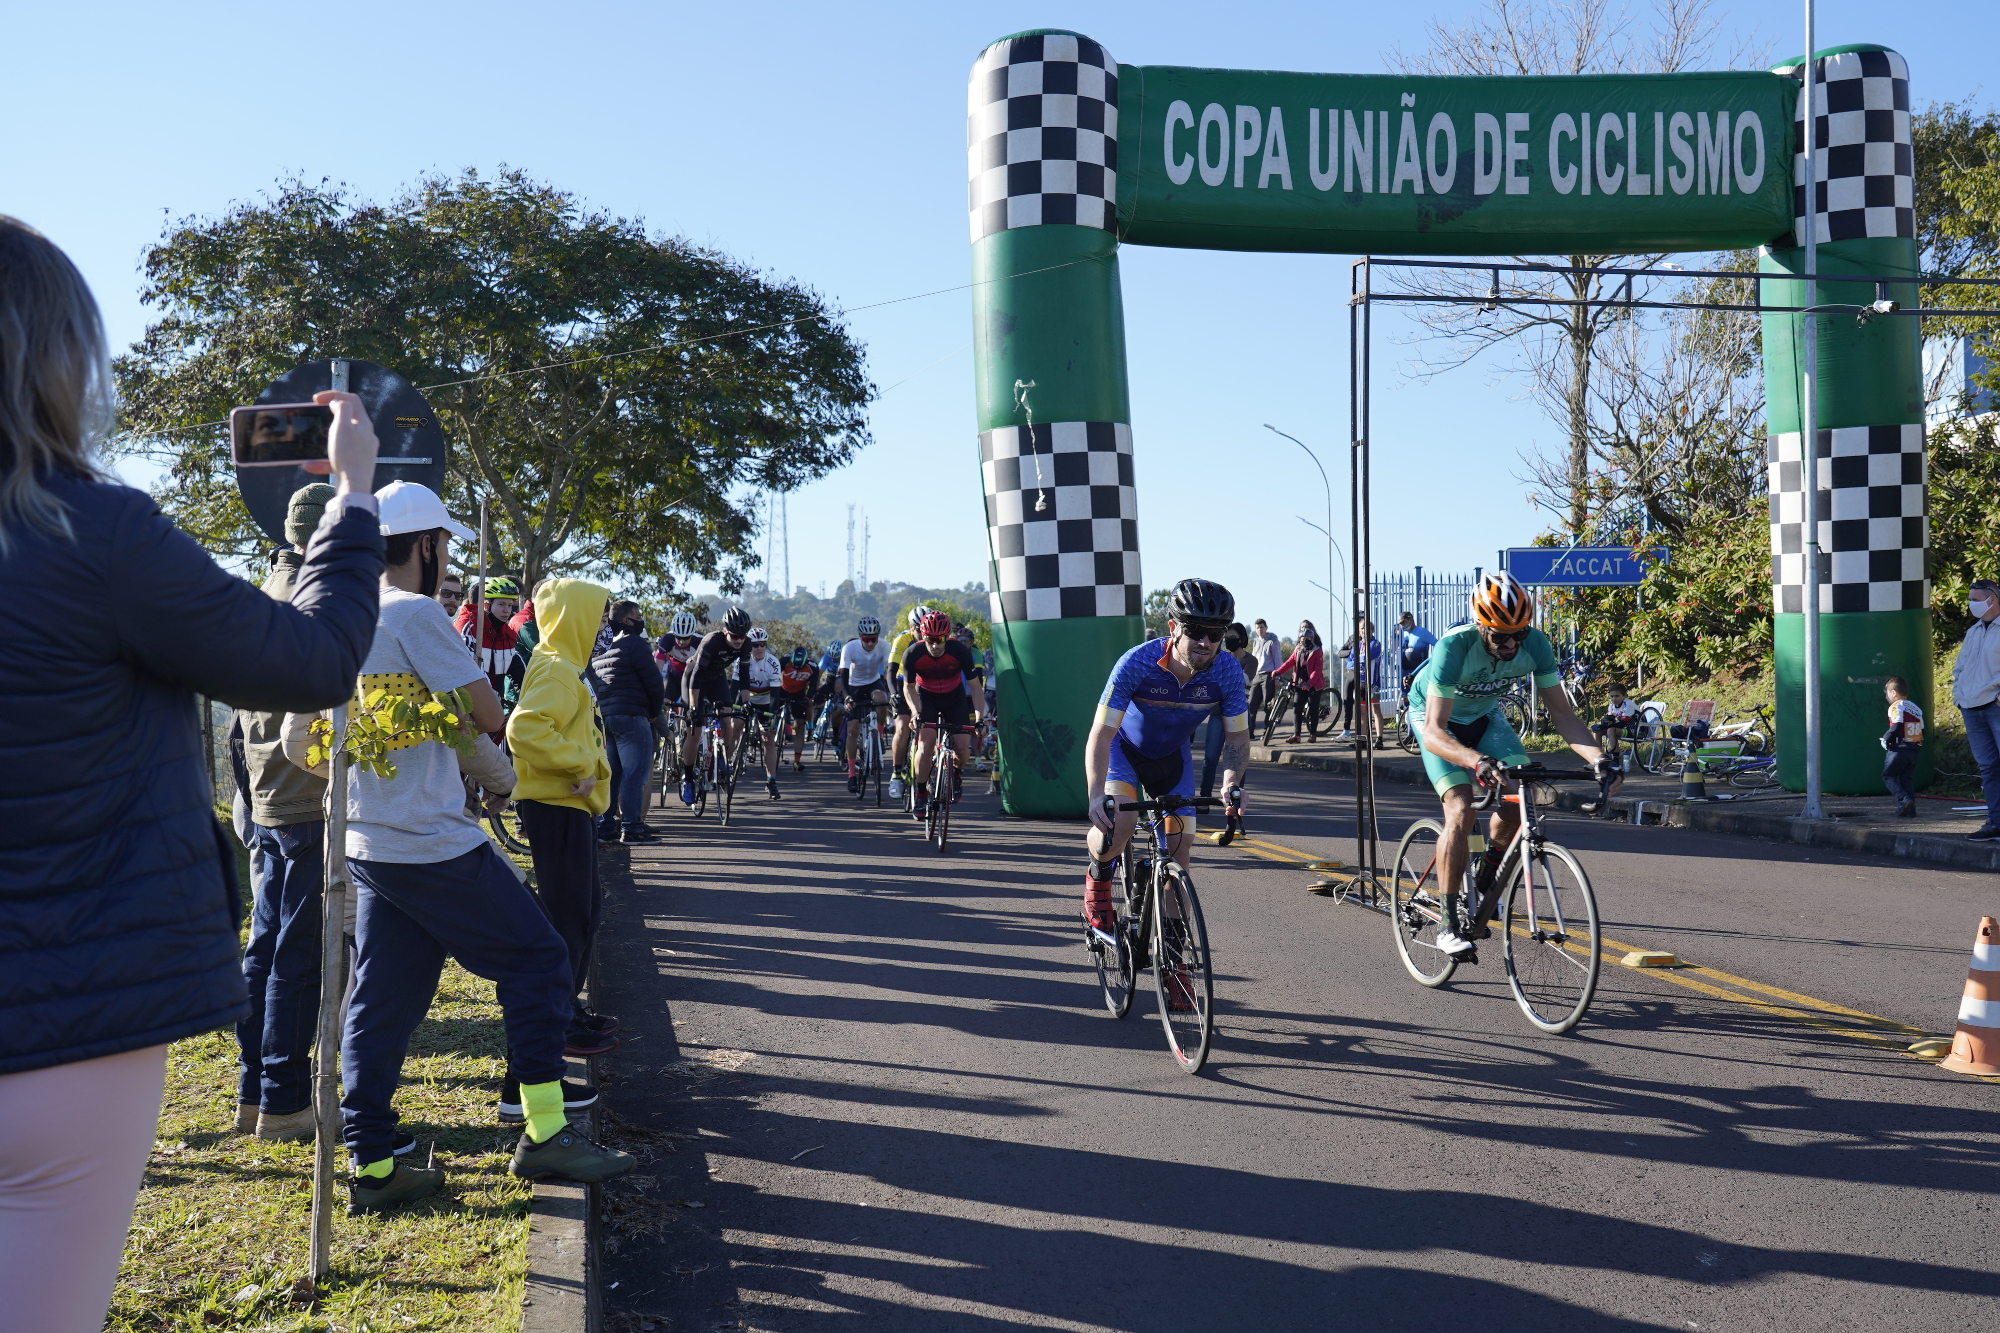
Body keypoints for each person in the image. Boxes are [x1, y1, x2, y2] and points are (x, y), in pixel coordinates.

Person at [0, 216, 390, 1333]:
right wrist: (353, 498)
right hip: (65, 1027)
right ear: (57, 362)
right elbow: (311, 660)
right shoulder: (92, 534)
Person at [1409, 572, 1619, 959]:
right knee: (1460, 809)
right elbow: (1435, 732)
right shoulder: (1453, 648)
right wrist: (1476, 760)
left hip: (1486, 718)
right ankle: (1447, 924)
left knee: (1522, 795)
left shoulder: (1535, 644)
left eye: (1518, 634)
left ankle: (1487, 873)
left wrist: (1600, 759)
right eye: (1500, 636)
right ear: (1480, 626)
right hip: (1436, 721)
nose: (1510, 644)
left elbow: (1564, 716)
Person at [230, 482, 343, 1145]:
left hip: (268, 795)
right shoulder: (315, 601)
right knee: (298, 957)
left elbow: (237, 724)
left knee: (266, 947)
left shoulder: (263, 595)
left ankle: (253, 1090)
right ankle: (285, 1099)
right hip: (305, 796)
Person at [1082, 579, 1249, 1008]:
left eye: (1216, 634)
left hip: (1172, 760)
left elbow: (1236, 739)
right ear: (1174, 628)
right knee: (1120, 822)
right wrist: (1096, 795)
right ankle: (1098, 879)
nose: (1206, 642)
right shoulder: (1137, 663)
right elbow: (1101, 733)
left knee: (1179, 854)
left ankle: (1174, 965)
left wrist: (1231, 784)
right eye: (1196, 631)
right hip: (1124, 752)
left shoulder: (1227, 672)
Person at [506, 575, 623, 1060]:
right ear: (574, 618)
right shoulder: (557, 668)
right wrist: (579, 765)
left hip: (567, 807)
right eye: (595, 619)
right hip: (556, 806)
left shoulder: (564, 665)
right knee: (570, 917)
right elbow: (524, 728)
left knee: (583, 912)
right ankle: (560, 1019)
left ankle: (568, 1009)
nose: (601, 629)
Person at [589, 600, 663, 842]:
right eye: (638, 616)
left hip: (607, 718)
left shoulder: (603, 648)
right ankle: (631, 828)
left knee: (612, 775)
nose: (641, 621)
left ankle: (606, 827)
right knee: (635, 774)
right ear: (626, 620)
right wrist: (654, 711)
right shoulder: (636, 644)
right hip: (632, 717)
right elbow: (654, 683)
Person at [902, 610, 985, 820]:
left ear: (947, 637)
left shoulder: (959, 651)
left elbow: (976, 687)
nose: (935, 645)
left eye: (939, 640)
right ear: (922, 637)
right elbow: (908, 687)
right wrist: (915, 713)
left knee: (962, 747)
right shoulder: (912, 653)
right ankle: (921, 794)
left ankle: (955, 774)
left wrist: (980, 718)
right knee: (925, 745)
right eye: (930, 640)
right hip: (926, 697)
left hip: (954, 697)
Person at [678, 606, 754, 803]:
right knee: (695, 732)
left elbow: (744, 676)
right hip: (694, 679)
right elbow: (696, 675)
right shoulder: (712, 641)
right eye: (735, 636)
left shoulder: (747, 644)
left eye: (742, 636)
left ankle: (721, 759)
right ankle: (688, 778)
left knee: (727, 719)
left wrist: (746, 703)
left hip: (716, 679)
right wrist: (693, 707)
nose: (739, 640)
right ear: (725, 631)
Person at [1951, 581, 2000, 841]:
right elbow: (1959, 667)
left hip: (1994, 705)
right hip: (1971, 708)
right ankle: (1995, 823)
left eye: (1975, 599)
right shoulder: (1973, 631)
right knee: (1988, 768)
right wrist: (1958, 696)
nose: (1971, 604)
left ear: (1992, 599)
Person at [1201, 623, 1256, 797]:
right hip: (1217, 713)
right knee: (1210, 759)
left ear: (1242, 639)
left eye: (1233, 638)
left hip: (1239, 714)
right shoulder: (1219, 659)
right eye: (1227, 638)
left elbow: (1243, 680)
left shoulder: (1250, 661)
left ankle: (1235, 797)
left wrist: (1222, 676)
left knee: (1238, 761)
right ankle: (1204, 799)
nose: (1229, 641)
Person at [839, 616, 892, 793]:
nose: (870, 643)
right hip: (853, 686)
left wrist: (893, 692)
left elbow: (891, 669)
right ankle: (851, 774)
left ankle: (880, 736)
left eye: (873, 639)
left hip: (873, 683)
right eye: (866, 639)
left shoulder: (884, 645)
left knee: (882, 700)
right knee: (852, 731)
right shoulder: (850, 648)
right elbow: (843, 674)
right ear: (860, 636)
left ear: (878, 637)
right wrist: (847, 697)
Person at [732, 627, 786, 799]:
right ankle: (728, 762)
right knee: (735, 725)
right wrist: (731, 707)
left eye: (763, 644)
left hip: (765, 701)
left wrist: (773, 714)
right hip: (745, 697)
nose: (759, 648)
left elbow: (775, 694)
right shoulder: (741, 660)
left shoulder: (773, 662)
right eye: (755, 645)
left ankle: (771, 782)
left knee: (768, 738)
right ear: (749, 646)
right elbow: (735, 687)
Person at [455, 575, 525, 704]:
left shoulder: (506, 634)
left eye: (510, 605)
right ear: (486, 605)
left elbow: (519, 674)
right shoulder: (470, 627)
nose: (507, 610)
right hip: (465, 704)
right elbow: (465, 668)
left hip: (493, 705)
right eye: (501, 604)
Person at [885, 605, 929, 800]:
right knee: (902, 727)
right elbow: (891, 671)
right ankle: (896, 773)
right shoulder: (902, 639)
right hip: (903, 682)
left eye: (925, 628)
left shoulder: (934, 639)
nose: (923, 633)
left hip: (925, 684)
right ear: (912, 628)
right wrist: (893, 693)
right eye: (919, 629)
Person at [1270, 631, 1329, 743]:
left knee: (1313, 708)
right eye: (1302, 638)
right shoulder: (1298, 649)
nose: (1304, 640)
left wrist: (1309, 684)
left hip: (1313, 685)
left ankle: (1313, 734)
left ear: (1312, 639)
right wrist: (1278, 671)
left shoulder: (1317, 651)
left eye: (1307, 638)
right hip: (1299, 683)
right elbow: (1289, 662)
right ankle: (1297, 735)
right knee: (1297, 709)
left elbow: (1317, 671)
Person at [1881, 675, 1924, 820]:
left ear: (1894, 693)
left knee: (1888, 775)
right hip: (1913, 749)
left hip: (1899, 748)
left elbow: (1897, 724)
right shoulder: (1916, 708)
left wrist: (1886, 739)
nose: (1886, 697)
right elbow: (1921, 729)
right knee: (1907, 779)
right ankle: (1911, 810)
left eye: (1887, 693)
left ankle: (1903, 799)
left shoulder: (1896, 706)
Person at [777, 645, 821, 770]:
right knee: (769, 713)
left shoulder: (813, 667)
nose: (796, 669)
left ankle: (797, 760)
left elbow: (813, 686)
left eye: (799, 667)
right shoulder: (785, 660)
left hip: (799, 694)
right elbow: (773, 674)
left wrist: (807, 698)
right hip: (783, 691)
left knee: (800, 724)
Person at [1337, 621, 1382, 738]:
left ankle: (1379, 739)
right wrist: (1356, 662)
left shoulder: (1376, 644)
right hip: (1361, 682)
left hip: (1372, 682)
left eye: (1366, 628)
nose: (1364, 631)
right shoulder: (1357, 645)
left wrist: (1357, 660)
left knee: (1375, 710)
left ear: (1372, 630)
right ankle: (1363, 739)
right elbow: (1349, 662)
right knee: (1362, 712)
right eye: (1362, 628)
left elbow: (1366, 657)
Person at [1247, 619, 1282, 733]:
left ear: (1266, 627)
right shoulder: (1256, 642)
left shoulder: (1273, 641)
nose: (1260, 629)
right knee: (1251, 704)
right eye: (1257, 628)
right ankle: (1250, 731)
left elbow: (1277, 659)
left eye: (1262, 627)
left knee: (1268, 705)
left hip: (1268, 675)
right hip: (1256, 675)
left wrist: (1277, 678)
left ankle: (1267, 730)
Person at [1591, 683, 1639, 758]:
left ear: (1625, 696)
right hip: (1625, 729)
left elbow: (1621, 724)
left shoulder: (1628, 704)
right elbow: (1610, 720)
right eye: (1611, 696)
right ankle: (1598, 757)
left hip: (1637, 730)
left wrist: (1606, 725)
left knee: (1611, 730)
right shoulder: (1612, 706)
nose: (1614, 699)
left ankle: (1615, 759)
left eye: (1617, 696)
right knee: (1597, 731)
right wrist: (1603, 723)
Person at [1395, 611, 1437, 691]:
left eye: (1403, 622)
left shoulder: (1422, 632)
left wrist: (1433, 661)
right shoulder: (1405, 634)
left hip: (1419, 673)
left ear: (1411, 620)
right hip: (1406, 672)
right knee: (1406, 696)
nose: (1401, 626)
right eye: (1400, 624)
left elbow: (1437, 644)